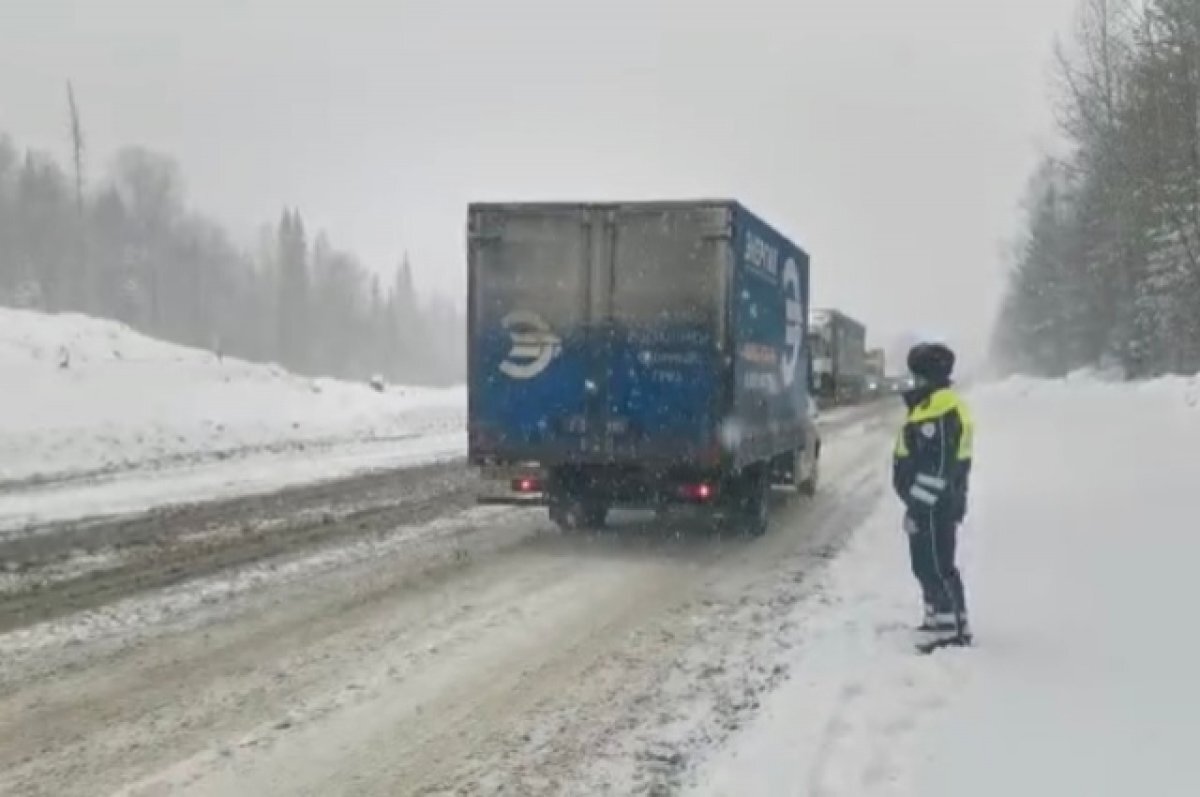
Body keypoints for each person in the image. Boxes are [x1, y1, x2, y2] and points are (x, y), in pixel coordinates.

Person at [892, 342, 974, 647]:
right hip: (936, 501)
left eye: (917, 376)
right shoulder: (933, 406)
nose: (912, 382)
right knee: (930, 563)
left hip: (934, 503)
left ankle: (950, 629)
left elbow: (935, 468)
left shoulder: (938, 411)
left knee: (936, 564)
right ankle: (942, 619)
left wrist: (917, 507)